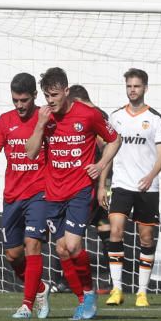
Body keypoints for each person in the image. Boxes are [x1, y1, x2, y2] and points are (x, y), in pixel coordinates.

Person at [26, 67, 120, 320]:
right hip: (53, 193)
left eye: (55, 94)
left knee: (73, 244)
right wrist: (40, 125)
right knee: (62, 250)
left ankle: (89, 294)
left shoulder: (88, 115)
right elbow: (31, 153)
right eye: (47, 96)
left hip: (80, 191)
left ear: (66, 91)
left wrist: (100, 166)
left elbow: (115, 139)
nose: (51, 101)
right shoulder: (45, 117)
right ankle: (83, 299)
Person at [0, 73, 51, 319]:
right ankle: (40, 288)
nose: (19, 105)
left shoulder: (45, 118)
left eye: (24, 100)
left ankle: (27, 305)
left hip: (39, 193)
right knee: (13, 254)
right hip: (12, 196)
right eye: (15, 100)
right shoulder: (5, 121)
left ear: (34, 97)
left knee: (32, 244)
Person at [100, 68, 161, 307]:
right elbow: (108, 155)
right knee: (115, 231)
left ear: (145, 88)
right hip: (121, 185)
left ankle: (141, 292)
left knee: (147, 238)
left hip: (147, 188)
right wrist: (102, 185)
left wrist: (151, 175)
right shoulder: (116, 117)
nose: (132, 90)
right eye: (129, 86)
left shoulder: (156, 119)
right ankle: (117, 289)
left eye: (137, 86)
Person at [67, 84, 112, 291]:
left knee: (81, 229)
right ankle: (111, 279)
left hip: (96, 181)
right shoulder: (99, 114)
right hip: (91, 180)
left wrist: (101, 183)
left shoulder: (92, 115)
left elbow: (105, 150)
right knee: (101, 226)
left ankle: (79, 280)